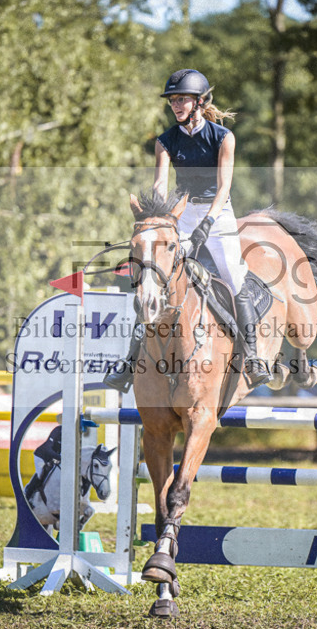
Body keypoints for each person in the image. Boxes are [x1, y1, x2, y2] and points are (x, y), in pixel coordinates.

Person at [104, 68, 271, 393]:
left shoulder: (223, 137)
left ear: (199, 102)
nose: (176, 105)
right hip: (181, 213)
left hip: (217, 212)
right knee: (155, 277)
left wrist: (208, 223)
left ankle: (253, 356)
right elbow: (160, 185)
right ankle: (130, 362)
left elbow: (224, 188)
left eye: (182, 99)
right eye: (173, 101)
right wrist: (157, 219)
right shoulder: (165, 141)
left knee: (233, 274)